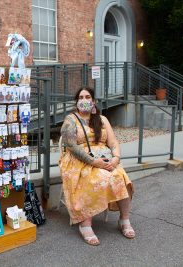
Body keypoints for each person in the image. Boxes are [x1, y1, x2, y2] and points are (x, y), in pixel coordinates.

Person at [59, 87, 135, 246]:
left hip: (105, 159)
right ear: (77, 101)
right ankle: (85, 225)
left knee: (120, 176)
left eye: (87, 97)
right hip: (79, 160)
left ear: (93, 101)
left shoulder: (102, 119)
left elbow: (113, 142)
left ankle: (124, 220)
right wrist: (94, 162)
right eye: (81, 97)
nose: (84, 100)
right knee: (91, 178)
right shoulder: (71, 119)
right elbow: (71, 146)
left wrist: (116, 158)